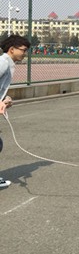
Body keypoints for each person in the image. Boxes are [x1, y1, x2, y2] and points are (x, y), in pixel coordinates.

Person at [0, 35, 31, 189]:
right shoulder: (3, 63)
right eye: (23, 50)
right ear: (12, 49)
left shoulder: (7, 63)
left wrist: (5, 99)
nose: (25, 54)